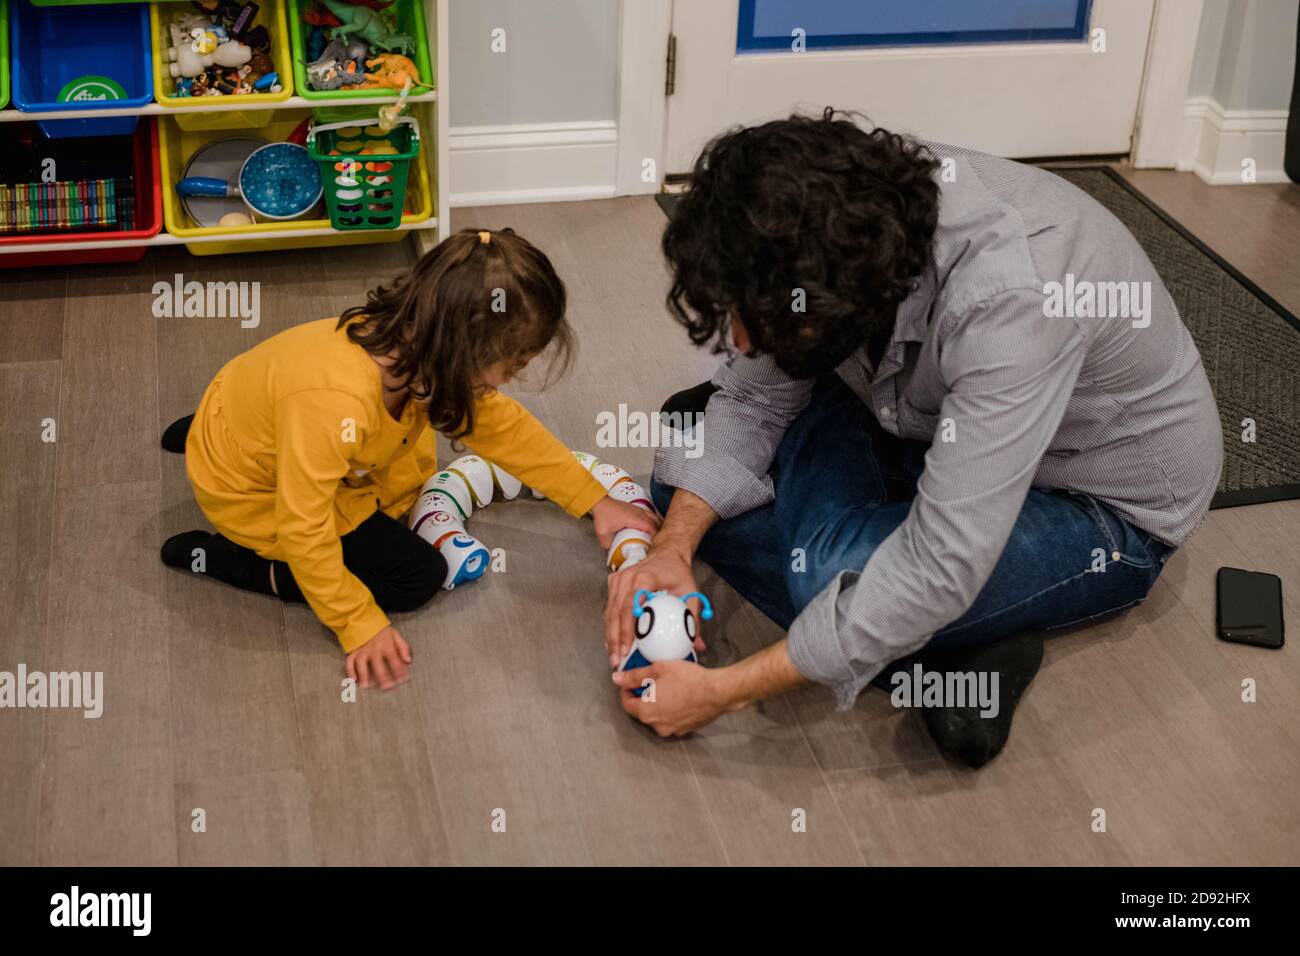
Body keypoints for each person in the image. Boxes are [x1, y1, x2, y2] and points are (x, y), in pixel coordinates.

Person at [604, 111, 1223, 766]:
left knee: (819, 573)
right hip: (933, 427)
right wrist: (671, 550)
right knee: (685, 483)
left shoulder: (1016, 303)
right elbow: (756, 394)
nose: (742, 342)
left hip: (1095, 507)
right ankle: (952, 631)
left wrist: (721, 691)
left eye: (751, 318)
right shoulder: (834, 217)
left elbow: (939, 561)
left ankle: (942, 628)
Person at [161, 228, 658, 689]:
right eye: (513, 364)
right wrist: (357, 623)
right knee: (415, 576)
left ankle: (216, 427)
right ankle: (228, 560)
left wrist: (596, 500)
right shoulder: (336, 403)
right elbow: (302, 525)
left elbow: (508, 433)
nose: (511, 380)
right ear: (462, 350)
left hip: (260, 410)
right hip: (253, 489)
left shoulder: (411, 349)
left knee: (407, 476)